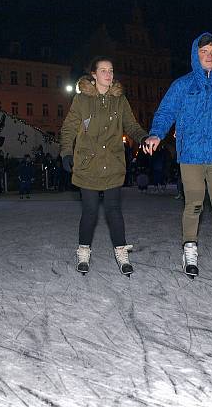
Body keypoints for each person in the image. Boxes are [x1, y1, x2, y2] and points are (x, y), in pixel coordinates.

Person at [143, 33, 212, 278]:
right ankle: (190, 248)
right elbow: (166, 111)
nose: (208, 56)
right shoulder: (183, 85)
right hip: (190, 154)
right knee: (195, 203)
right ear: (195, 55)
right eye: (203, 52)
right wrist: (156, 134)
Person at [60, 56, 149, 276]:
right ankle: (83, 251)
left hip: (112, 163)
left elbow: (132, 125)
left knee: (113, 210)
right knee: (90, 211)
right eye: (103, 71)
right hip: (88, 164)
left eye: (110, 70)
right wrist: (66, 153)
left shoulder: (120, 100)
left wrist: (144, 138)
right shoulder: (81, 101)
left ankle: (121, 251)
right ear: (94, 75)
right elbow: (68, 129)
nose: (108, 74)